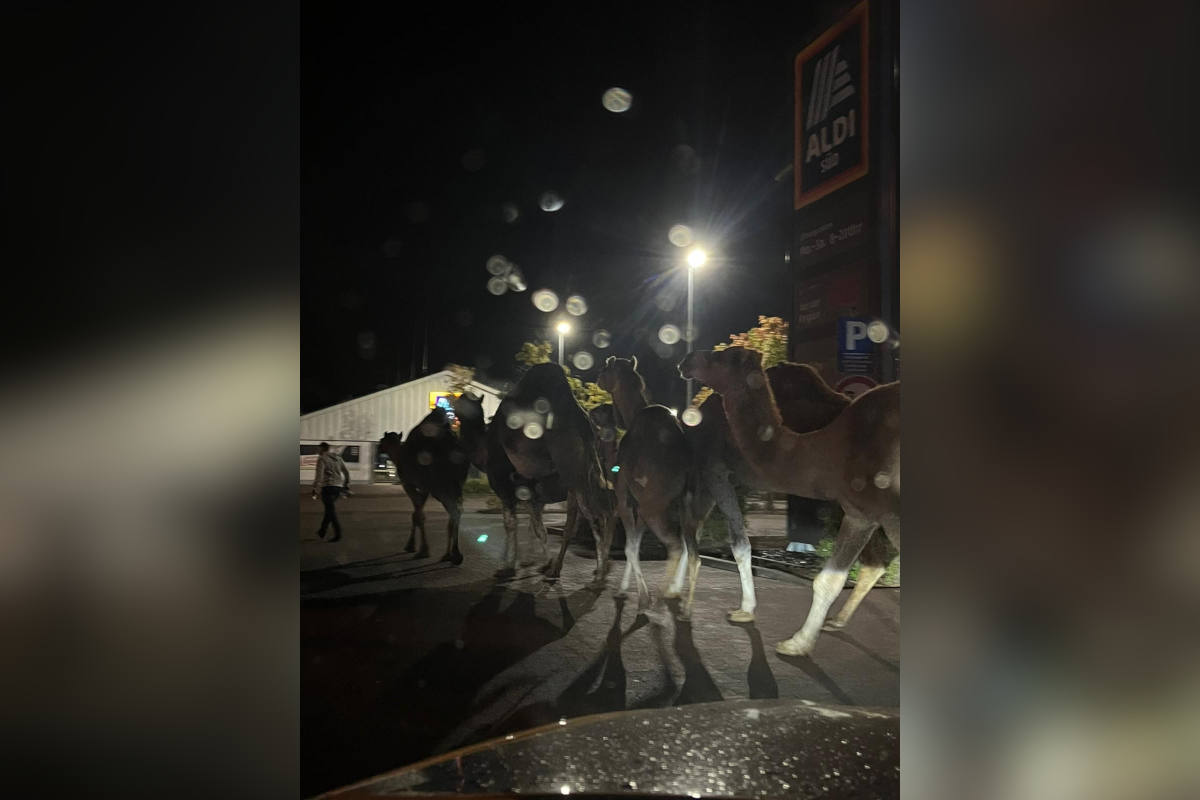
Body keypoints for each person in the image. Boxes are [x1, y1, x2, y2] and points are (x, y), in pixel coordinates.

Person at [312, 442, 351, 541]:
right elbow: (346, 472)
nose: (317, 450)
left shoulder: (322, 459)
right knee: (329, 510)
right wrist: (346, 484)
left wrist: (316, 489)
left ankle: (338, 534)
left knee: (331, 511)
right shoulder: (338, 458)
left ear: (322, 449)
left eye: (318, 448)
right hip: (338, 488)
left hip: (327, 488)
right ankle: (322, 531)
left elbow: (319, 476)